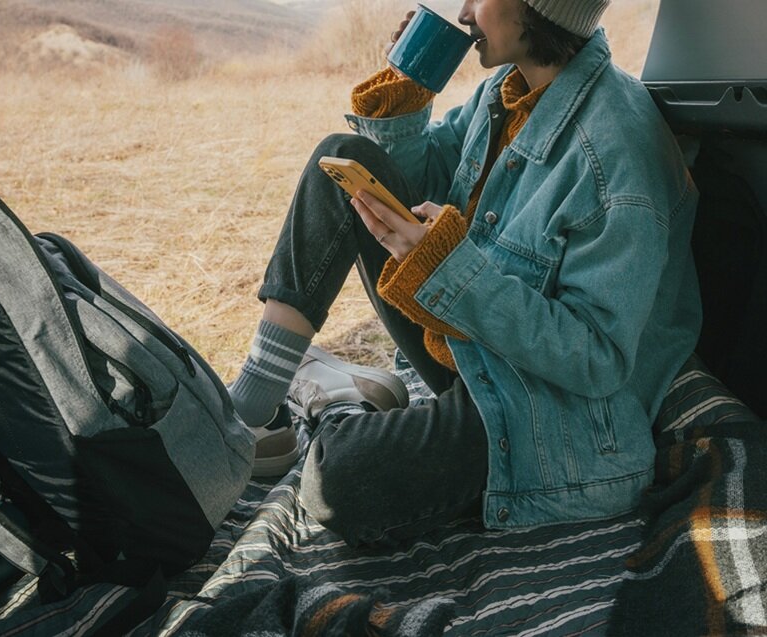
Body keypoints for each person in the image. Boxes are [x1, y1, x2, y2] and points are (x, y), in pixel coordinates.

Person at [227, 0, 702, 545]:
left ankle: (346, 396)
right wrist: (406, 92)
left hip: (550, 413)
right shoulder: (506, 90)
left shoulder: (618, 151)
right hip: (472, 348)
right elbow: (427, 180)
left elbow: (598, 357)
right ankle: (250, 410)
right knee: (342, 159)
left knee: (335, 478)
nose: (463, 10)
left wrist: (450, 267)